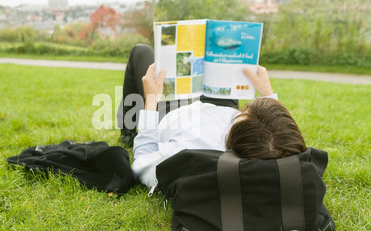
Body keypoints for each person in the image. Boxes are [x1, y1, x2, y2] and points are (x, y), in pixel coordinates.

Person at [118, 44, 306, 190]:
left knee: (141, 51)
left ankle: (128, 132)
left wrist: (151, 100)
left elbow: (141, 164)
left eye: (244, 113)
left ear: (234, 134)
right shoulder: (263, 144)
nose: (242, 109)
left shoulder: (185, 155)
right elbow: (280, 137)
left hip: (169, 113)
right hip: (214, 108)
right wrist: (267, 93)